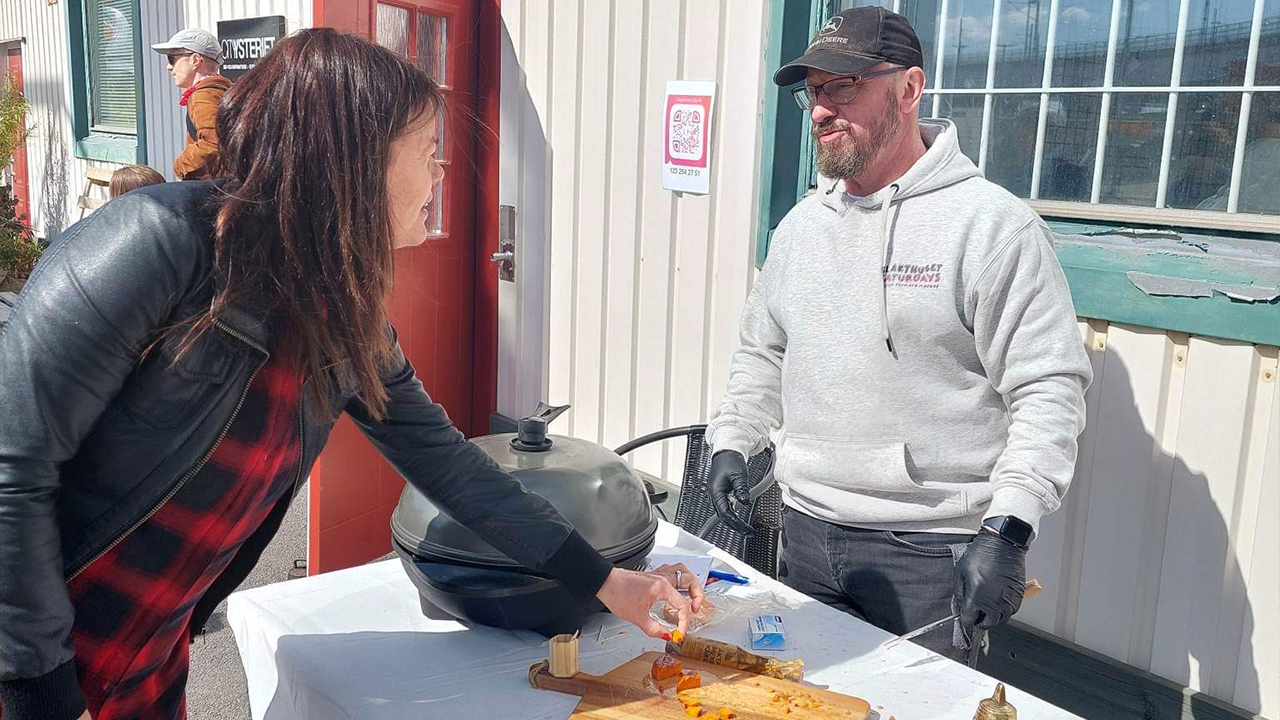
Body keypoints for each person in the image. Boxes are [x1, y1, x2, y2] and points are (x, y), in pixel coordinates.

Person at [0, 29, 701, 720]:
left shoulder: (342, 314)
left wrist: (606, 580)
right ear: (353, 155)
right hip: (31, 664)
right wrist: (42, 697)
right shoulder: (158, 244)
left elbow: (452, 468)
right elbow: (12, 470)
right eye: (428, 151)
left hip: (144, 662)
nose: (441, 173)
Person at [705, 7, 1091, 663]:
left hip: (928, 552)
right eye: (814, 92)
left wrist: (1008, 530)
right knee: (808, 700)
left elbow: (1048, 390)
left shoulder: (992, 229)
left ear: (909, 89)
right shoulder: (799, 229)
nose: (821, 109)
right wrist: (732, 441)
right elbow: (762, 354)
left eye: (843, 87)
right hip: (804, 532)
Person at [150, 28, 232, 180]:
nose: (169, 67)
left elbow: (212, 144)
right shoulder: (222, 90)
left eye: (172, 59)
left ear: (195, 60)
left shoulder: (203, 96)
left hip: (214, 189)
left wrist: (180, 166)